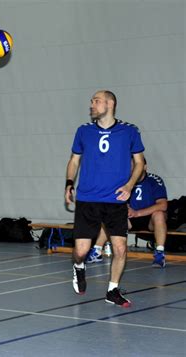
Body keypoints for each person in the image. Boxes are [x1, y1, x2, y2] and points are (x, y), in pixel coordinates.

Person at [65, 90, 145, 307]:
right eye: (91, 101)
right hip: (88, 199)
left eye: (96, 101)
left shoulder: (129, 131)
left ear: (110, 104)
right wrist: (69, 183)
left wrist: (129, 186)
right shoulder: (83, 131)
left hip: (116, 200)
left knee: (120, 249)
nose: (91, 104)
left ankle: (112, 290)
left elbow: (139, 163)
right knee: (81, 252)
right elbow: (74, 160)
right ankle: (79, 267)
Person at [86, 158, 168, 267]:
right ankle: (97, 251)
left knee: (159, 214)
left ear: (144, 167)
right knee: (109, 214)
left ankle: (160, 254)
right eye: (131, 166)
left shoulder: (154, 180)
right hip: (130, 218)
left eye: (137, 166)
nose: (133, 169)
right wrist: (124, 208)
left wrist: (137, 213)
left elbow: (163, 205)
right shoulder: (124, 181)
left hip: (150, 219)